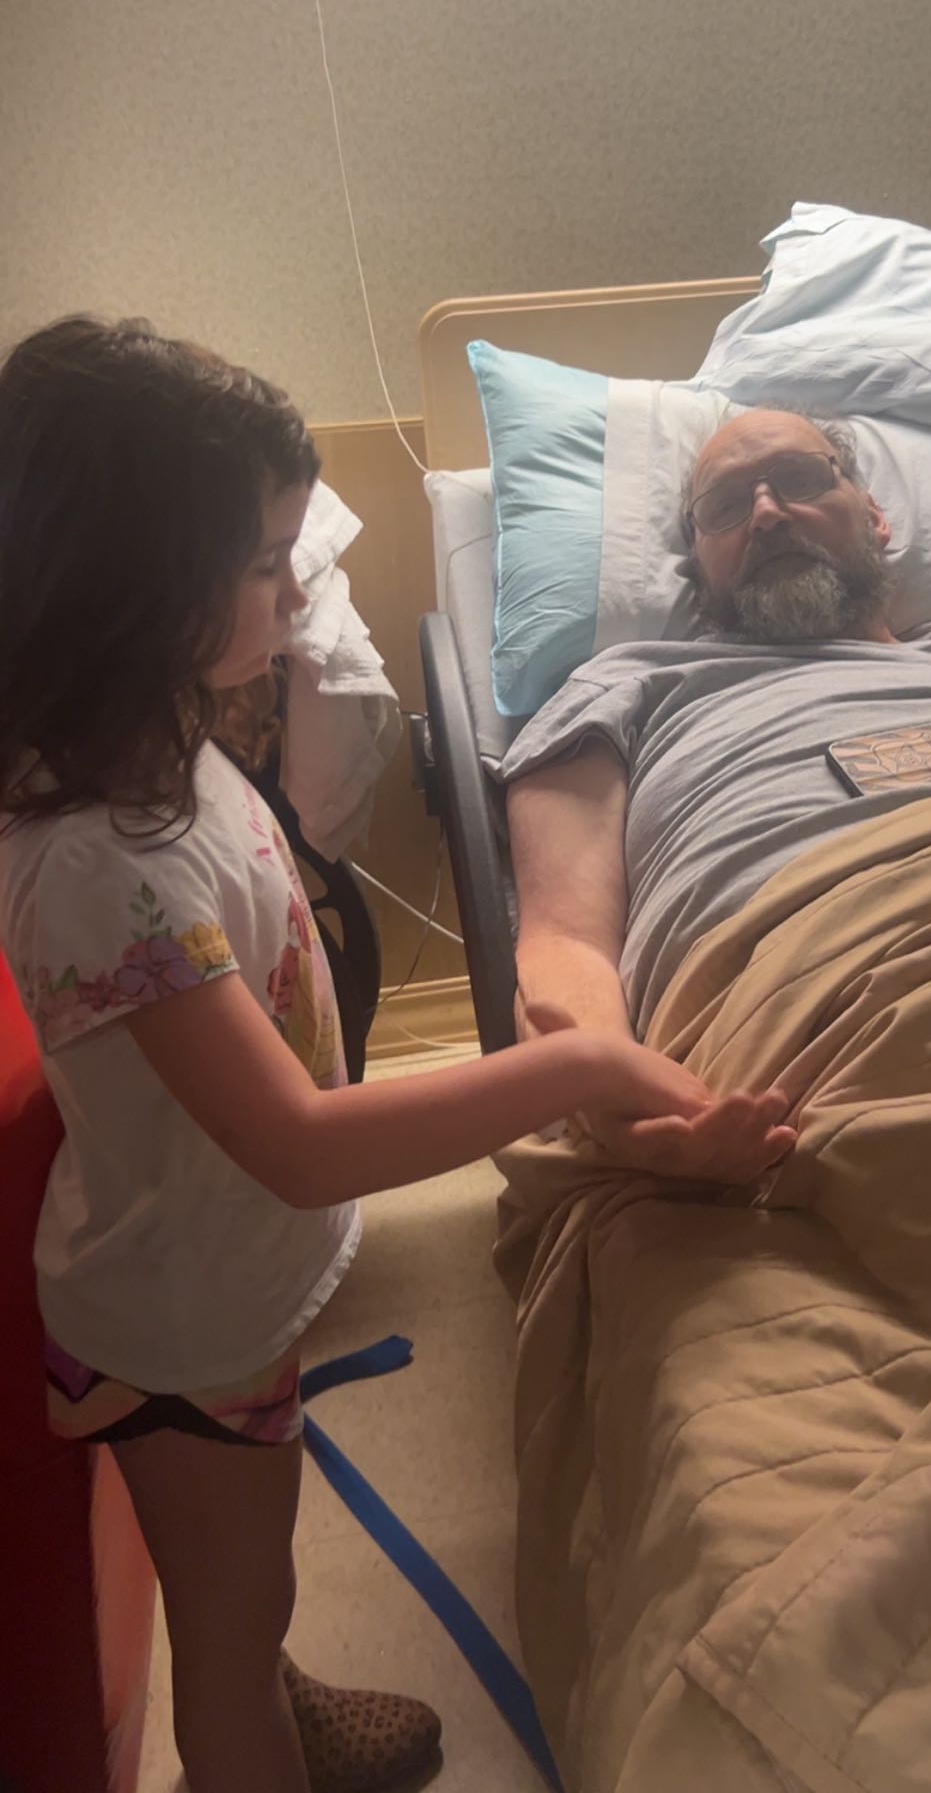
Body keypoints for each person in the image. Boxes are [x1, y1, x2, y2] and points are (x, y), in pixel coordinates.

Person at [0, 314, 757, 1793]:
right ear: (128, 582)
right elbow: (300, 1144)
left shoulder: (151, 730)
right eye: (266, 563)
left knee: (243, 1570)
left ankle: (264, 1673)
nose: (294, 595)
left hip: (223, 1281)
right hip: (181, 1329)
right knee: (230, 1620)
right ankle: (250, 1730)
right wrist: (581, 1067)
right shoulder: (92, 861)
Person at [505, 406, 931, 1181]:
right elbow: (564, 942)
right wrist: (616, 1100)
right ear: (698, 559)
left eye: (799, 480)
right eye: (725, 506)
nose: (766, 514)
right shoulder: (623, 686)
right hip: (816, 1008)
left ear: (875, 515)